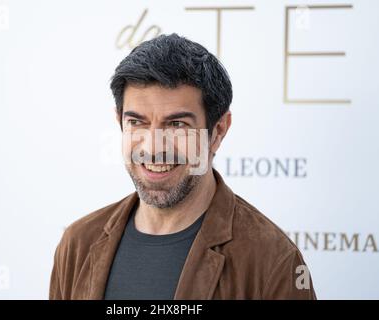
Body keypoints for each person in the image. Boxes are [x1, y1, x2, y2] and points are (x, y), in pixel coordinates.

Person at [49, 33, 316, 300]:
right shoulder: (78, 243)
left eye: (177, 125)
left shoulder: (272, 260)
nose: (153, 148)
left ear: (218, 131)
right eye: (137, 122)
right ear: (120, 121)